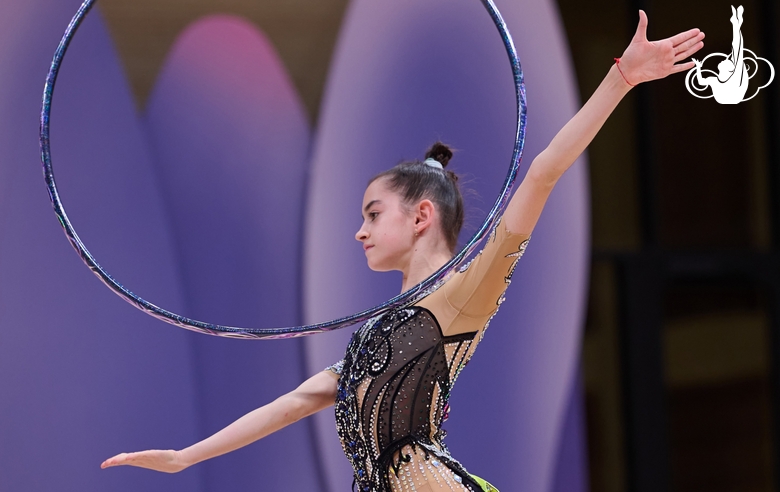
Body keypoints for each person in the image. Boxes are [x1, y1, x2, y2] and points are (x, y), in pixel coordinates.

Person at [101, 10, 704, 492]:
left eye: (371, 214)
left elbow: (543, 173)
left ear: (421, 216)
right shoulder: (378, 334)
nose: (359, 232)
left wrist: (619, 79)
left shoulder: (463, 294)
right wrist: (186, 457)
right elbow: (292, 403)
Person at [692, 5, 747, 104]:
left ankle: (736, 23)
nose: (725, 59)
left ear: (730, 70)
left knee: (737, 51)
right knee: (736, 51)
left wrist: (736, 26)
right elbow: (701, 82)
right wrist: (698, 67)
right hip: (728, 97)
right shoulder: (715, 80)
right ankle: (736, 23)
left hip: (733, 96)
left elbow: (737, 48)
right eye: (729, 60)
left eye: (728, 61)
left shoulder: (734, 78)